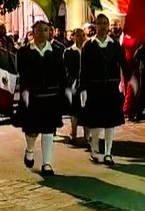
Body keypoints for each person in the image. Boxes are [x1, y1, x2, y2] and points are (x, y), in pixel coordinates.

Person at [17, 21, 67, 176]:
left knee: (48, 130)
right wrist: (24, 91)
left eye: (45, 30)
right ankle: (30, 150)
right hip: (33, 96)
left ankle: (47, 163)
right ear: (33, 32)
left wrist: (64, 93)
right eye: (39, 30)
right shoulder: (24, 51)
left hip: (51, 96)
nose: (42, 33)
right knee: (31, 130)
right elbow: (22, 72)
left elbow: (61, 73)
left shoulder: (57, 50)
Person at [78, 14, 125, 165]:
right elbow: (83, 69)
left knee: (110, 122)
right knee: (96, 122)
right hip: (94, 87)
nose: (104, 26)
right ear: (96, 25)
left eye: (106, 23)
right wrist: (83, 89)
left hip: (111, 87)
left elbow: (121, 65)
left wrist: (122, 83)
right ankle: (95, 150)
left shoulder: (114, 45)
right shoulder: (88, 45)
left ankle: (108, 152)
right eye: (100, 23)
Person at [64, 27, 87, 146]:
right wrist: (72, 81)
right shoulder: (69, 51)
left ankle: (87, 136)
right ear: (73, 37)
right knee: (74, 109)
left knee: (87, 108)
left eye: (82, 35)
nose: (79, 37)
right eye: (77, 35)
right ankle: (73, 133)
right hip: (73, 83)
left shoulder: (88, 50)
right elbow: (67, 69)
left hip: (86, 82)